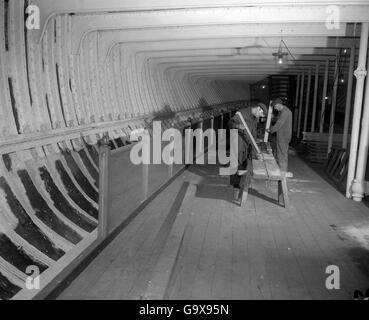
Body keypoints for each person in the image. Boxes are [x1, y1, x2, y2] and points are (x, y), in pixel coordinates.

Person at [228, 103, 267, 195]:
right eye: (261, 114)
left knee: (244, 164)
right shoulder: (241, 114)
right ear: (258, 109)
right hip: (238, 143)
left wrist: (256, 150)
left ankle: (241, 184)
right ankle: (235, 188)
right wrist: (238, 126)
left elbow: (252, 133)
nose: (260, 116)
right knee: (235, 164)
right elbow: (230, 123)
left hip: (246, 145)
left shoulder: (254, 118)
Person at [267, 98, 292, 175]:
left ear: (278, 105)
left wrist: (270, 130)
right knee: (279, 152)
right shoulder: (281, 112)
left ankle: (283, 171)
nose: (274, 108)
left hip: (284, 136)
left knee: (283, 153)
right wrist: (273, 118)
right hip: (280, 135)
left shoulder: (286, 112)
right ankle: (280, 169)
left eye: (274, 106)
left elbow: (279, 124)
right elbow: (278, 120)